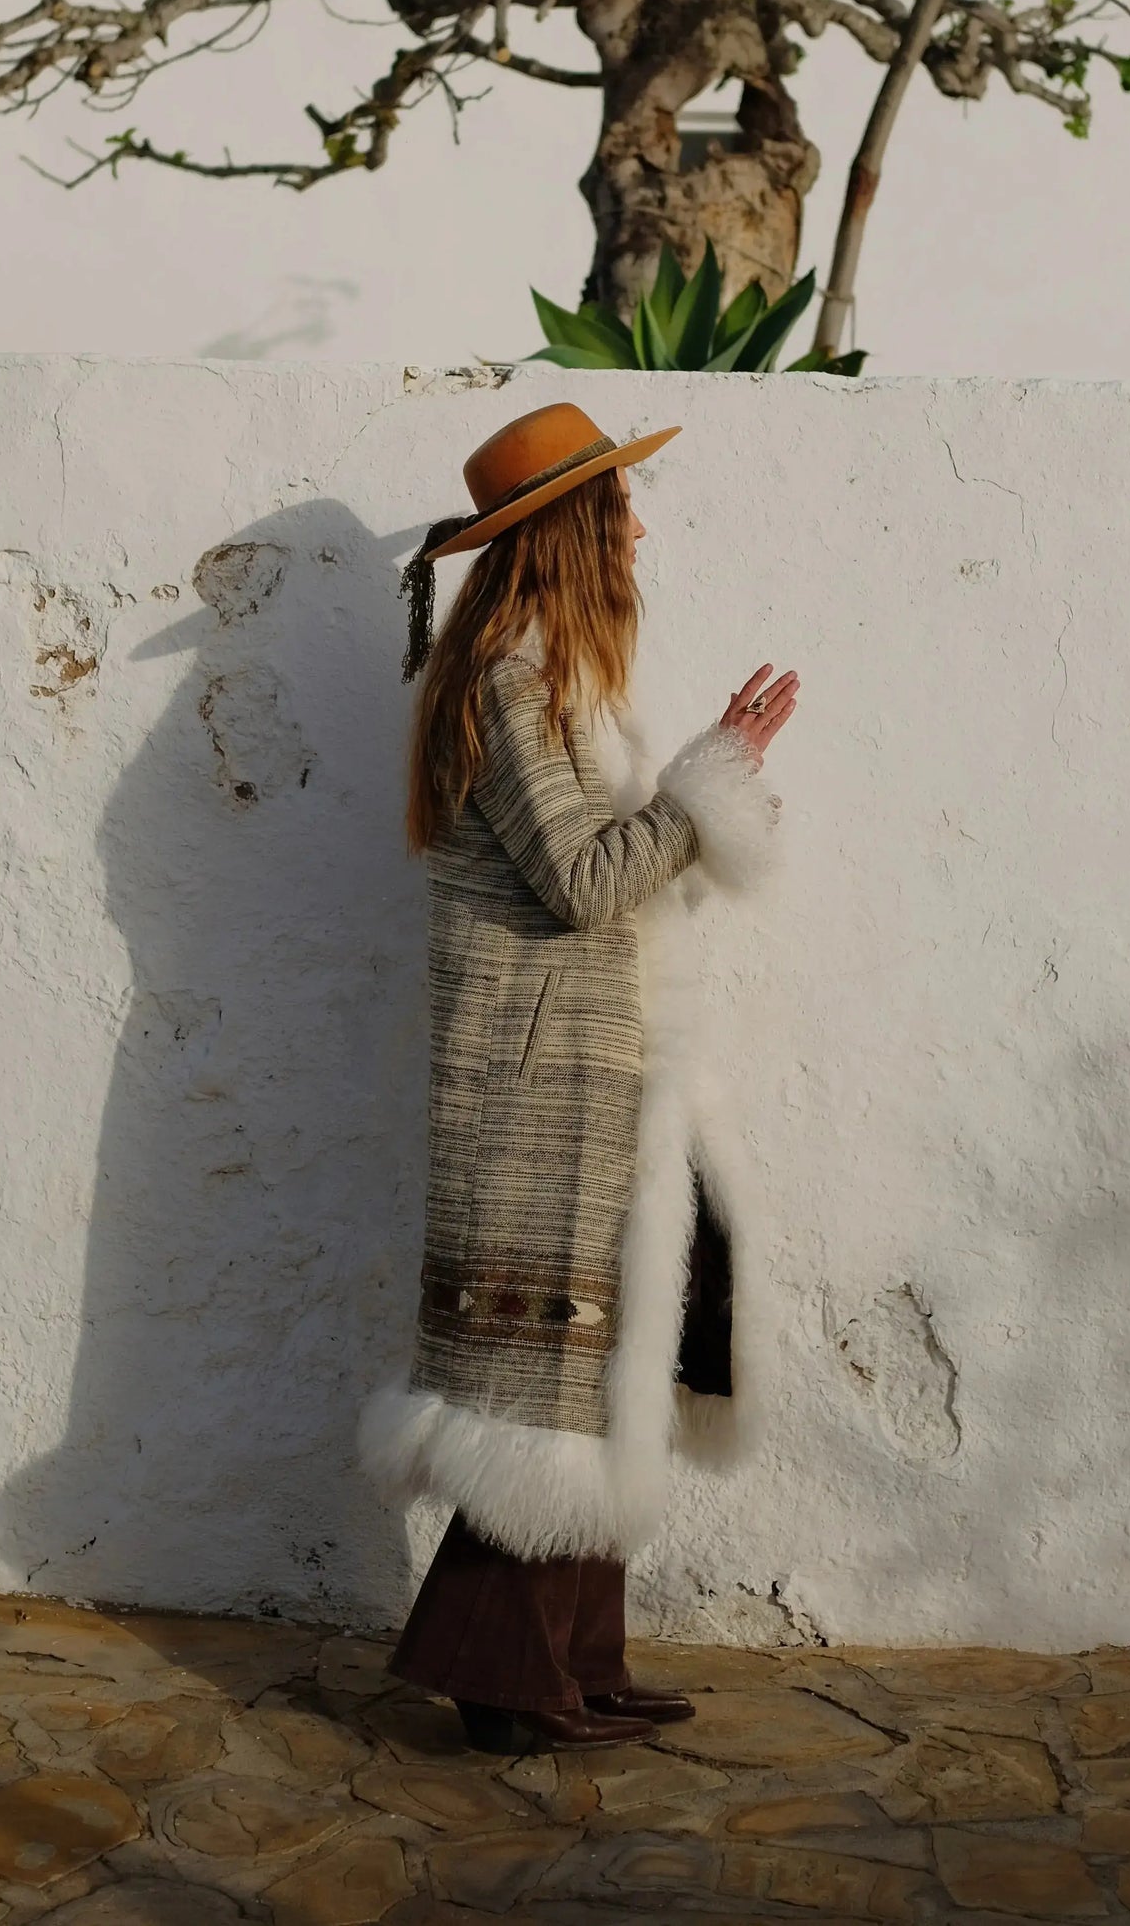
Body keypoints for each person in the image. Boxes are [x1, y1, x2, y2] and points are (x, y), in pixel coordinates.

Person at [362, 399, 797, 1754]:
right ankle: (498, 1675)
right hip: (535, 1086)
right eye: (615, 509)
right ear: (566, 532)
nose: (636, 528)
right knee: (540, 1390)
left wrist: (698, 776)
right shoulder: (509, 677)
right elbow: (586, 880)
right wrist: (707, 783)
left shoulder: (552, 675)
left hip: (591, 1074)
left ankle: (577, 1658)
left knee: (606, 1358)